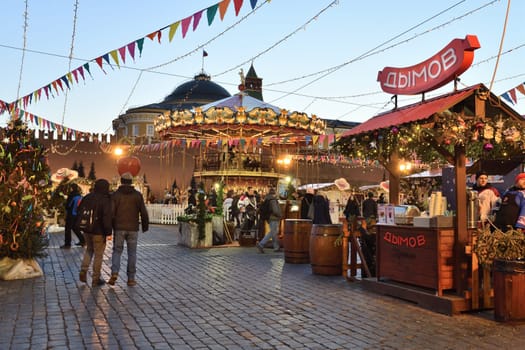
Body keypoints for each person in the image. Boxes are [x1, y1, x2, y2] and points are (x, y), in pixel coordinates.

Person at [108, 172, 149, 287]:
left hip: (119, 228)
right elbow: (143, 212)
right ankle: (131, 278)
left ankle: (114, 273)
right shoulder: (137, 195)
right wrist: (145, 226)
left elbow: (111, 212)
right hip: (133, 228)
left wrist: (111, 226)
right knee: (132, 253)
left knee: (117, 251)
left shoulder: (116, 195)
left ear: (121, 181)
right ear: (131, 182)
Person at [77, 179, 113, 287]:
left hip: (87, 229)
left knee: (89, 249)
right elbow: (106, 217)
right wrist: (108, 232)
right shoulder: (105, 199)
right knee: (98, 254)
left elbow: (79, 210)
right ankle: (95, 278)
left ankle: (83, 270)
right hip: (99, 231)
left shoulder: (87, 197)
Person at [256, 187, 282, 253]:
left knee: (274, 232)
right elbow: (275, 210)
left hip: (269, 217)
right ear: (275, 193)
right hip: (273, 217)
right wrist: (280, 215)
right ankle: (261, 244)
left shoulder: (267, 199)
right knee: (273, 232)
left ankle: (276, 247)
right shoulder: (273, 200)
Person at [61, 183, 85, 248]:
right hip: (77, 214)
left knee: (68, 229)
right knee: (75, 228)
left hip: (71, 214)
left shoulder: (72, 195)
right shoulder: (79, 195)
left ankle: (67, 244)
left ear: (71, 188)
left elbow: (68, 205)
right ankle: (83, 241)